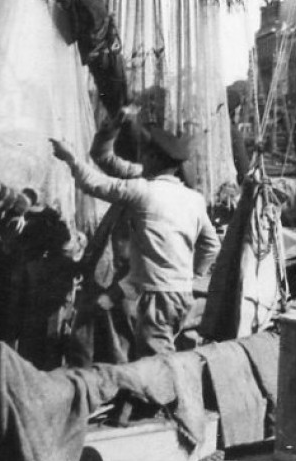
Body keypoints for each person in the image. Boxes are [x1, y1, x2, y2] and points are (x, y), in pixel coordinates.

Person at [51, 124, 220, 359]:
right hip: (177, 293)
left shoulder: (143, 190)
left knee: (157, 365)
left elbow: (93, 183)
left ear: (151, 157)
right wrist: (192, 275)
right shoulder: (195, 199)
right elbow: (212, 246)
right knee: (138, 343)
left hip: (154, 296)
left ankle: (168, 396)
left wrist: (70, 158)